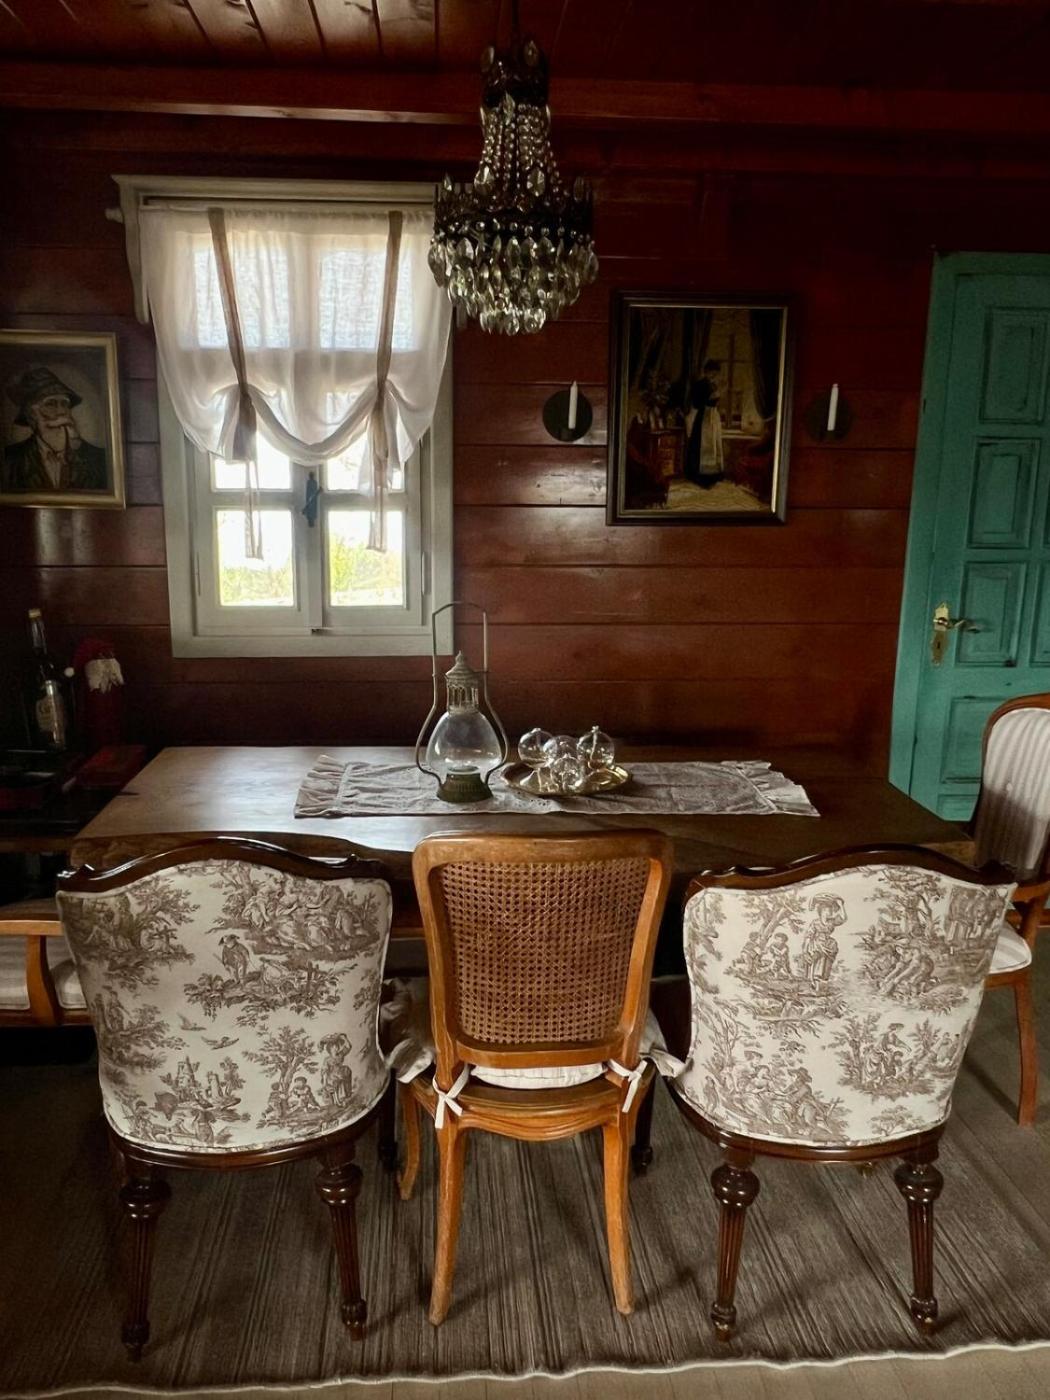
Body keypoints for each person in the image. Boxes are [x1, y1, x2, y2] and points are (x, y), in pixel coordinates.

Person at [3, 366, 107, 493]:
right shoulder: (10, 460)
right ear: (32, 415)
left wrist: (78, 448)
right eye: (50, 404)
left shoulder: (99, 458)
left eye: (65, 404)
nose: (61, 412)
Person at [683, 359, 725, 488]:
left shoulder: (713, 384)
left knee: (713, 444)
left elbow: (716, 401)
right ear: (706, 371)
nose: (714, 375)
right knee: (701, 444)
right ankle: (700, 475)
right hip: (703, 417)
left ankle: (712, 475)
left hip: (713, 416)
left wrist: (716, 398)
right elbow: (696, 403)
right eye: (712, 372)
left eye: (716, 373)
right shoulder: (700, 384)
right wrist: (709, 398)